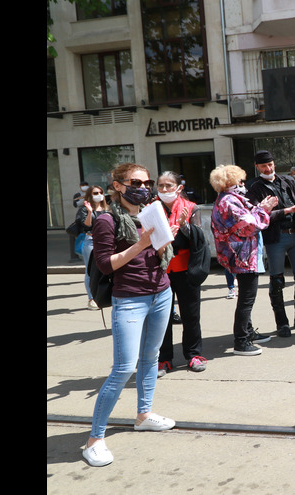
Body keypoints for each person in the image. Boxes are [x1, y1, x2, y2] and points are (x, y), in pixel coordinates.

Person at [82, 163, 178, 467]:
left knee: (150, 359)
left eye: (147, 181)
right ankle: (94, 440)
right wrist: (141, 244)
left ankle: (143, 414)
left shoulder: (150, 211)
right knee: (123, 368)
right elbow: (106, 264)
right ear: (118, 185)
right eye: (136, 181)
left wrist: (164, 242)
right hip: (130, 300)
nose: (144, 186)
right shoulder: (106, 220)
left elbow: (161, 253)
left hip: (161, 293)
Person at [210, 164, 277, 356]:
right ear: (230, 183)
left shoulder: (230, 199)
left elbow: (249, 216)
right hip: (241, 256)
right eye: (239, 181)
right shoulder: (229, 201)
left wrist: (261, 208)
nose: (243, 184)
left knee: (246, 297)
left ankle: (247, 332)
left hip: (242, 255)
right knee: (247, 299)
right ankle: (241, 340)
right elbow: (248, 225)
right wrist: (264, 210)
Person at [247, 150, 295, 337]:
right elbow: (260, 216)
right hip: (276, 238)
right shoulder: (254, 186)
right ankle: (282, 323)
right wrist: (289, 210)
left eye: (271, 164)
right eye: (264, 165)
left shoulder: (287, 180)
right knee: (277, 281)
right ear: (257, 167)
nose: (269, 168)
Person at [155, 171, 209, 376]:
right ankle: (164, 359)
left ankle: (194, 355)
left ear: (179, 187)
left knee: (191, 315)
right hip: (161, 270)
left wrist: (185, 226)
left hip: (187, 270)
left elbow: (199, 238)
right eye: (161, 186)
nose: (165, 189)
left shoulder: (191, 207)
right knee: (162, 317)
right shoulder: (153, 208)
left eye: (169, 185)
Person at [78, 185, 110, 309]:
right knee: (90, 269)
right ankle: (91, 298)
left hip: (105, 240)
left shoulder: (107, 208)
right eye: (95, 193)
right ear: (90, 195)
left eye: (100, 192)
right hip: (91, 240)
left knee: (106, 267)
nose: (99, 195)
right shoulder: (84, 209)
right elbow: (87, 225)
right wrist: (90, 211)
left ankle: (104, 295)